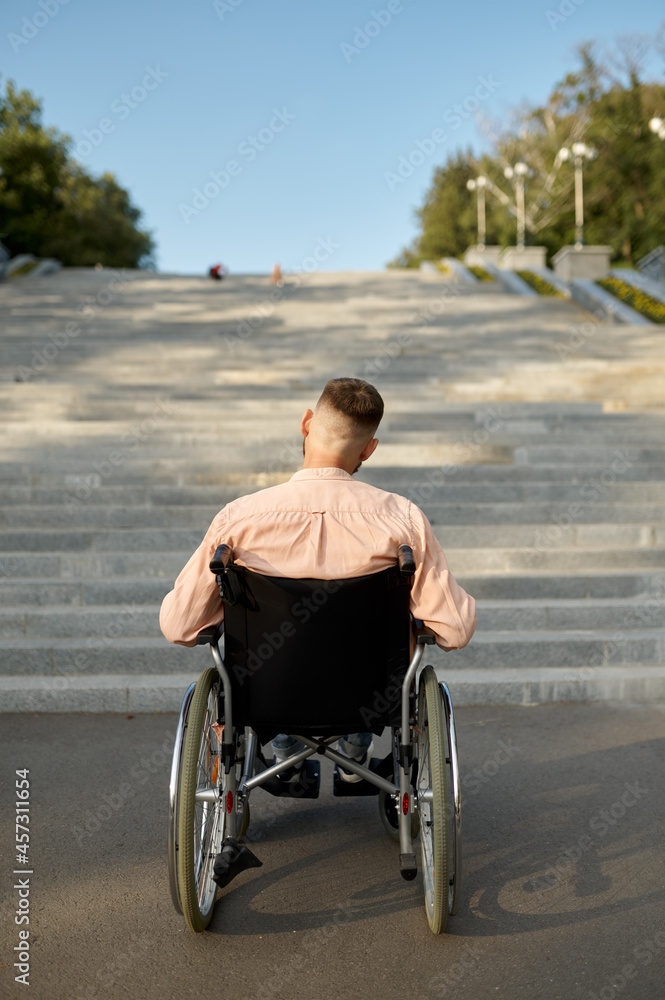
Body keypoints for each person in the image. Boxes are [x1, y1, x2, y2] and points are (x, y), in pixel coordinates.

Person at [160, 378, 476, 782]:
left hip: (268, 693)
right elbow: (455, 630)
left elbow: (179, 626)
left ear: (307, 422)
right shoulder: (402, 519)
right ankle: (355, 750)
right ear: (369, 449)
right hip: (369, 696)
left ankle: (284, 749)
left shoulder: (239, 519)